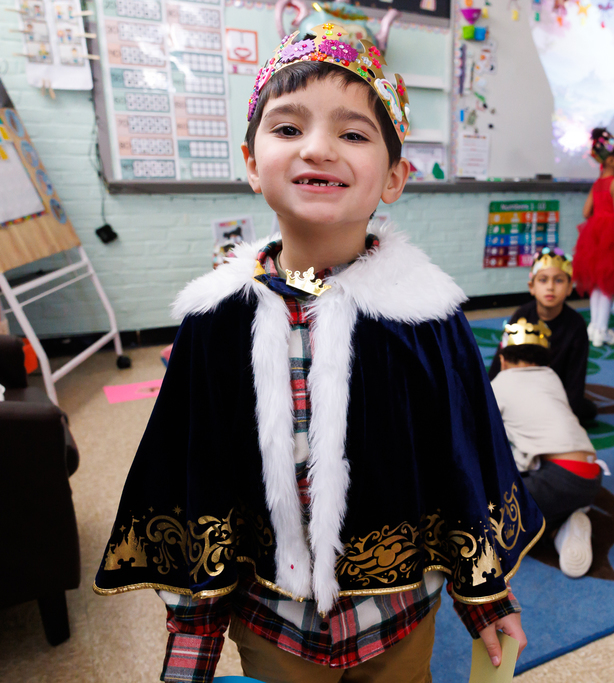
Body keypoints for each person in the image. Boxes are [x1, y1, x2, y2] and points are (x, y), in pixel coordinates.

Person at [94, 26, 544, 683]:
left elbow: (461, 463)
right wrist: (193, 641)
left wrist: (484, 597)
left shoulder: (427, 318)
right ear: (251, 162)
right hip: (273, 625)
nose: (318, 148)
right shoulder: (216, 322)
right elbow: (197, 481)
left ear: (394, 176)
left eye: (353, 133)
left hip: (398, 620)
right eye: (287, 128)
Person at [490, 318, 604, 578]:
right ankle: (561, 527)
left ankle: (551, 525)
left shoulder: (499, 384)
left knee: (479, 519)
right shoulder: (552, 377)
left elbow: (482, 437)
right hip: (591, 476)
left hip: (558, 478)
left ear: (503, 361)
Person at [488, 247, 597, 422]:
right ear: (532, 287)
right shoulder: (521, 316)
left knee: (587, 410)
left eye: (559, 280)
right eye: (543, 280)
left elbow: (576, 376)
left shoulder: (576, 325)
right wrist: (489, 397)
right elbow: (501, 360)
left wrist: (568, 414)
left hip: (553, 392)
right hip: (520, 388)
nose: (550, 287)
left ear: (570, 288)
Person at [573, 127, 614, 347]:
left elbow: (586, 212)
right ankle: (603, 330)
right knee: (607, 285)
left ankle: (594, 328)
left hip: (594, 235)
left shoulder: (598, 183)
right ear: (612, 161)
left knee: (597, 285)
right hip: (612, 236)